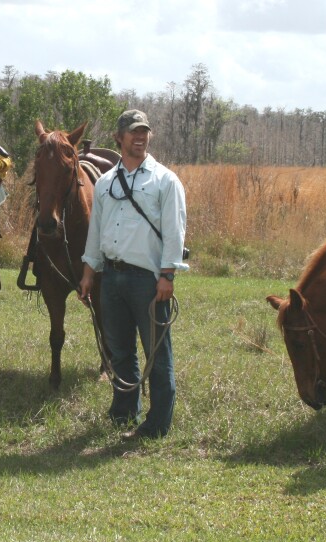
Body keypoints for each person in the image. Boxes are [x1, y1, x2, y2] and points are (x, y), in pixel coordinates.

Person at [78, 110, 188, 440]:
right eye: (133, 132)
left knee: (157, 353)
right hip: (111, 278)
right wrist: (88, 273)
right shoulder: (105, 183)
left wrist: (167, 274)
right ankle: (124, 412)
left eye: (144, 132)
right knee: (120, 351)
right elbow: (95, 232)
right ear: (119, 138)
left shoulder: (165, 180)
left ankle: (157, 425)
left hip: (149, 281)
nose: (139, 137)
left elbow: (174, 231)